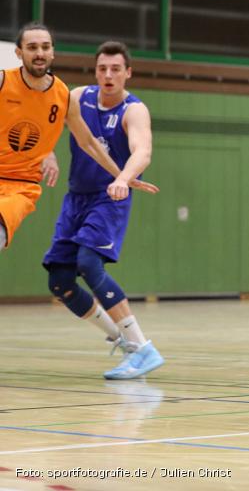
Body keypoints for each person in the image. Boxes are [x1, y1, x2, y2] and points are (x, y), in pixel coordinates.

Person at [43, 41, 164, 380]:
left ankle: (143, 348)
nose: (108, 75)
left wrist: (124, 178)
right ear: (95, 71)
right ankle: (126, 342)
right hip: (75, 197)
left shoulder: (133, 110)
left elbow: (143, 152)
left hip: (109, 196)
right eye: (102, 69)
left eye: (115, 69)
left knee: (88, 262)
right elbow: (46, 121)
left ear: (128, 73)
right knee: (60, 282)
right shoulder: (78, 96)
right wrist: (47, 151)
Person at [0, 23, 157, 255]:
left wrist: (121, 176)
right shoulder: (4, 81)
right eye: (32, 47)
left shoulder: (63, 95)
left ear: (53, 52)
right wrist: (49, 152)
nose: (40, 53)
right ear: (19, 53)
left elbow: (88, 142)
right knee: (60, 276)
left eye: (45, 47)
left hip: (19, 186)